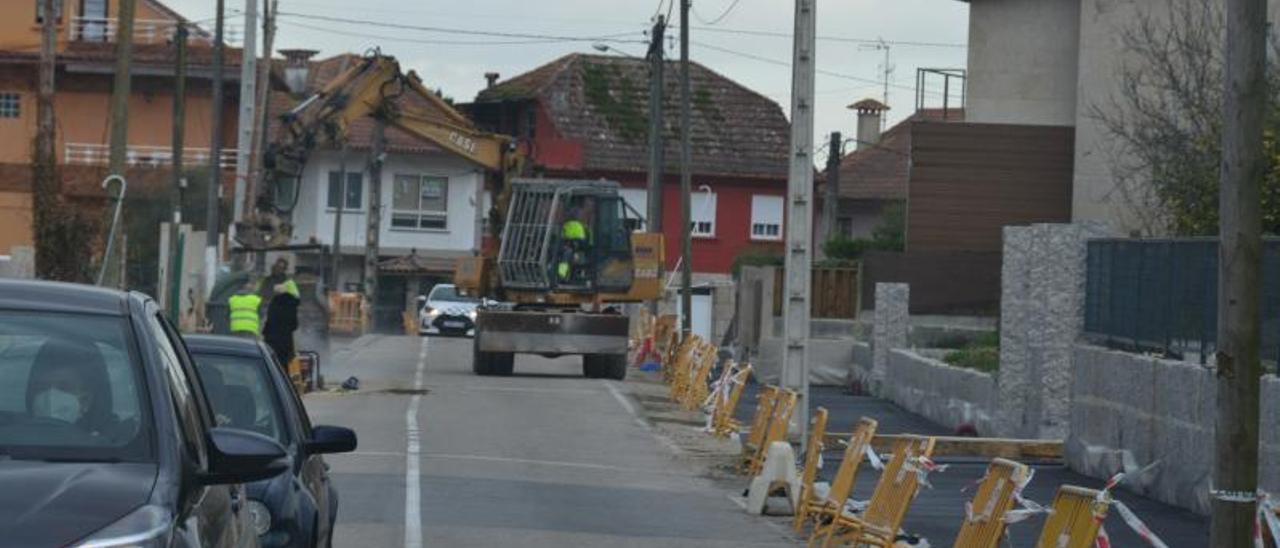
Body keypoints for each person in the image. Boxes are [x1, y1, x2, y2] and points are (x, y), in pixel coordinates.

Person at [263, 280, 300, 369]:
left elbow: (269, 321)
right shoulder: (291, 305)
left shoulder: (273, 303)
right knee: (283, 367)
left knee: (271, 365)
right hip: (285, 342)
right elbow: (294, 325)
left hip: (271, 340)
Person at [558, 203, 591, 284]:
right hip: (577, 250)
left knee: (566, 257)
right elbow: (583, 242)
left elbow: (561, 238)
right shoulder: (581, 227)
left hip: (568, 249)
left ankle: (562, 276)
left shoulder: (565, 225)